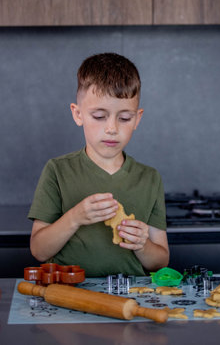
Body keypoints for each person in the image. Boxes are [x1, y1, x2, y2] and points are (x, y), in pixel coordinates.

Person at [28, 52, 169, 277]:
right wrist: (75, 217)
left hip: (131, 297)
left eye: (124, 118)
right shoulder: (57, 171)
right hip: (69, 295)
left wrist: (142, 245)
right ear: (78, 114)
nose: (112, 128)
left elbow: (160, 262)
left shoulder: (150, 178)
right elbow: (39, 250)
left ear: (137, 119)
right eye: (99, 116)